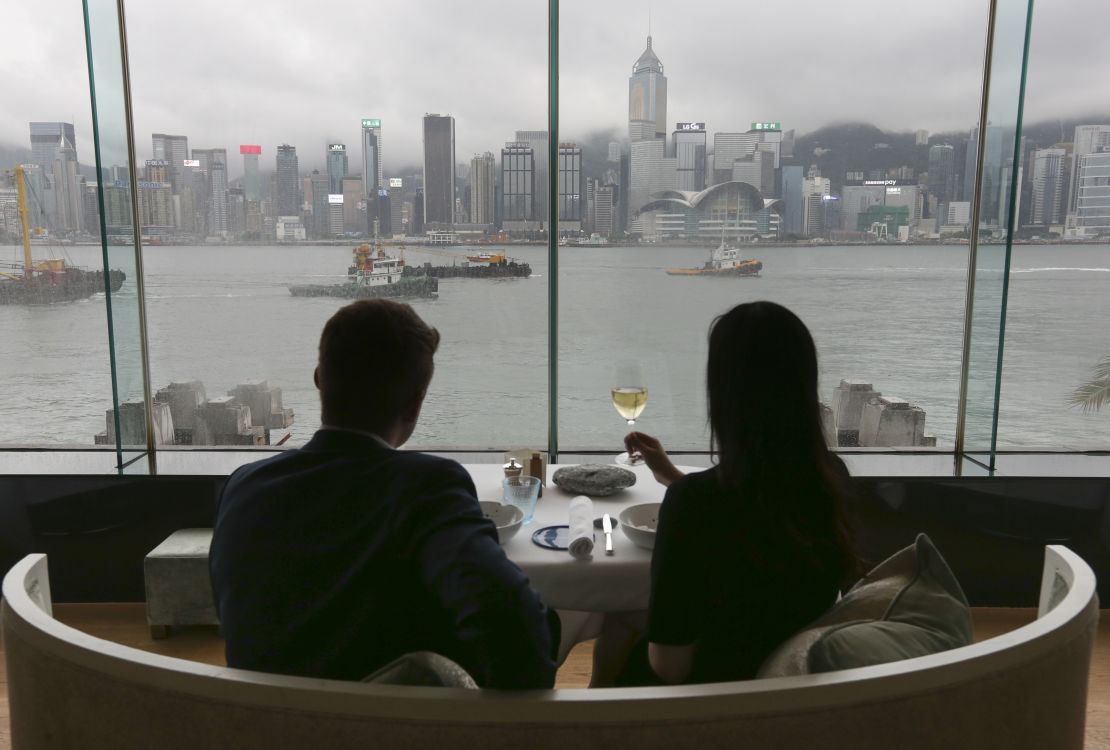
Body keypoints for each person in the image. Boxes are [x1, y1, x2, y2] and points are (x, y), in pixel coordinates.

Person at [209, 299, 558, 689]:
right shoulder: (426, 487)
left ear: (319, 379)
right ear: (415, 404)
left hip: (261, 726)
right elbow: (518, 630)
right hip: (385, 730)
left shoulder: (243, 486)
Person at [599, 300, 858, 686]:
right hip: (792, 680)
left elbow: (670, 665)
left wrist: (682, 492)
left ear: (723, 393)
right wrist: (671, 475)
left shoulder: (694, 505)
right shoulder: (829, 479)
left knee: (616, 626)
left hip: (712, 702)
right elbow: (751, 513)